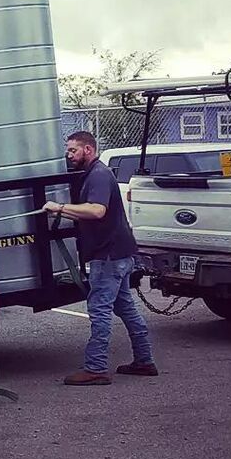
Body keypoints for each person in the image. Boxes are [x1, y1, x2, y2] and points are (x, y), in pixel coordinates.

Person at [43, 130, 158, 385]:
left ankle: (95, 368)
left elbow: (96, 211)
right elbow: (91, 213)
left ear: (88, 149)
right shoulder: (96, 173)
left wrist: (60, 207)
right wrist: (62, 213)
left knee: (100, 310)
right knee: (126, 308)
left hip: (109, 256)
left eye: (73, 150)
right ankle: (145, 361)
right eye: (68, 149)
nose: (68, 154)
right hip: (118, 253)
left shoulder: (98, 175)